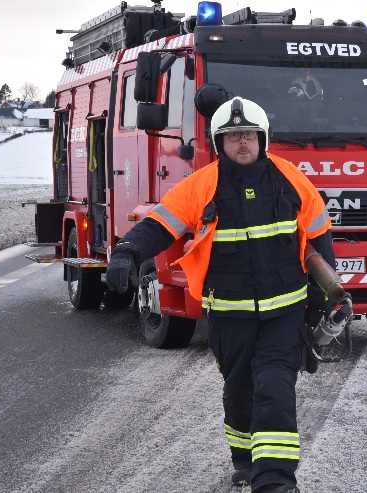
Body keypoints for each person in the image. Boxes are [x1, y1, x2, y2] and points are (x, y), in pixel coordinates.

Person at [105, 97, 335, 493]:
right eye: (232, 137)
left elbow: (318, 237)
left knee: (275, 389)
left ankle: (275, 481)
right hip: (229, 316)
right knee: (240, 390)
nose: (241, 143)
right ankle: (244, 458)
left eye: (248, 135)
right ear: (218, 143)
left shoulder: (292, 180)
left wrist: (324, 299)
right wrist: (127, 251)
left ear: (262, 139)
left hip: (284, 314)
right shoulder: (200, 186)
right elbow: (160, 225)